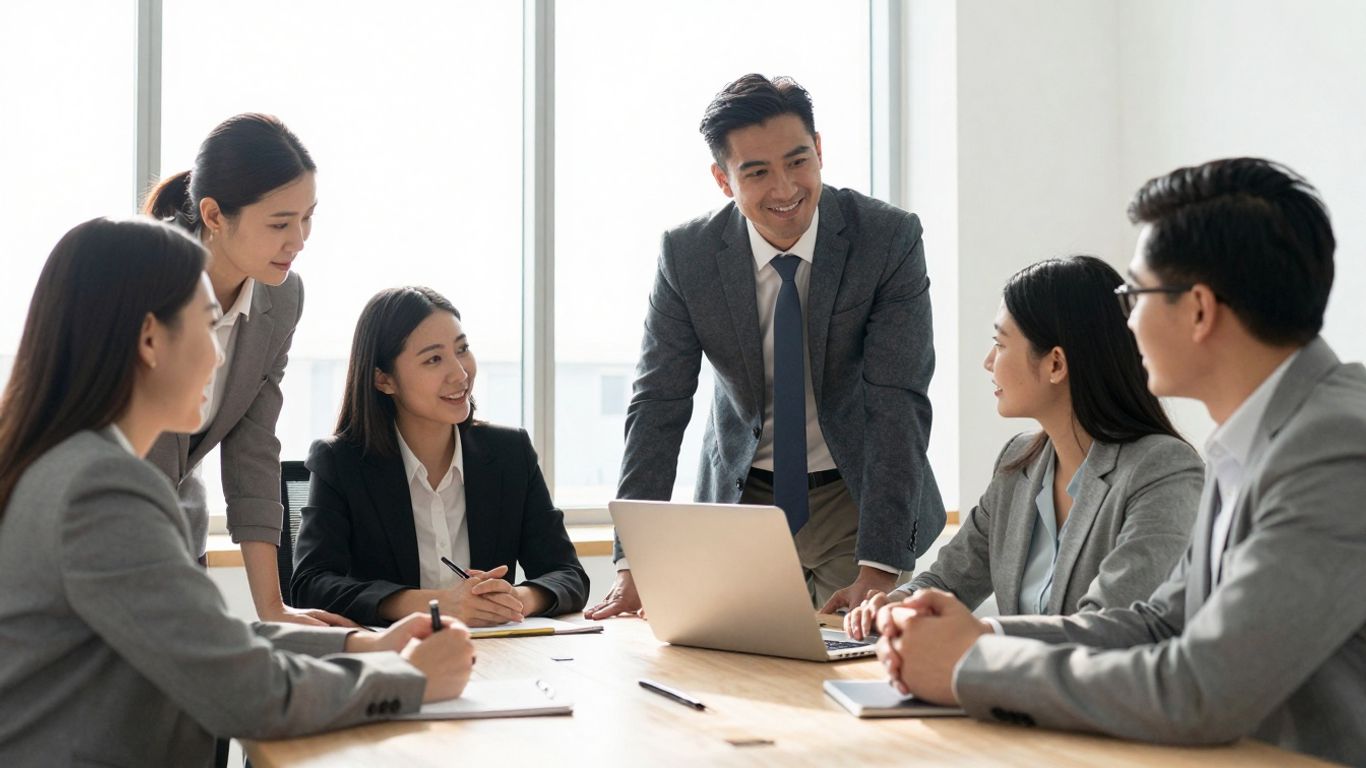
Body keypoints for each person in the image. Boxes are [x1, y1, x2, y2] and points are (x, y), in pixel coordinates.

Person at [875, 158, 1366, 765]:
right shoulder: (1250, 438)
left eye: (1134, 295)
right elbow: (1159, 624)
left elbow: (1200, 687)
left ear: (1199, 310)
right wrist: (981, 635)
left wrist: (971, 664)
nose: (1125, 322)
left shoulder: (1335, 445)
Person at [0, 218, 473, 766]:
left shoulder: (65, 465)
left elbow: (203, 644)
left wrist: (362, 645)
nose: (220, 356)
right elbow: (243, 690)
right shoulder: (100, 489)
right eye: (208, 326)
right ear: (151, 339)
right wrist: (407, 678)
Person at [586, 74, 944, 619]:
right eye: (756, 171)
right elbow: (658, 404)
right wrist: (635, 560)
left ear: (819, 150)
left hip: (858, 499)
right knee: (734, 682)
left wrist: (878, 566)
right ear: (723, 180)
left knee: (848, 679)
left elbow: (898, 402)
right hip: (741, 501)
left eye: (798, 161)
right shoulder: (689, 255)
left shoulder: (887, 239)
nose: (784, 188)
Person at [845, 256, 1202, 641]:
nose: (987, 362)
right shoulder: (1017, 464)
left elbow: (1111, 627)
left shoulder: (1164, 470)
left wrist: (981, 634)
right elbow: (947, 580)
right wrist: (898, 604)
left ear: (1055, 364)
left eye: (999, 344)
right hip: (1010, 695)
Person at [142, 112, 344, 626]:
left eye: (308, 217)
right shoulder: (147, 275)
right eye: (279, 223)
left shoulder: (282, 296)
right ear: (213, 215)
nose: (299, 239)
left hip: (177, 510)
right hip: (101, 511)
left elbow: (253, 446)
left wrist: (273, 610)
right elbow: (146, 447)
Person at [290, 286, 589, 627]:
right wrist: (437, 604)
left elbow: (568, 574)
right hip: (392, 658)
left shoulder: (509, 453)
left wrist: (515, 599)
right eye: (434, 359)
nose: (460, 374)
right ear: (384, 379)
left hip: (494, 655)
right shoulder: (341, 462)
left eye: (462, 350)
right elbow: (311, 586)